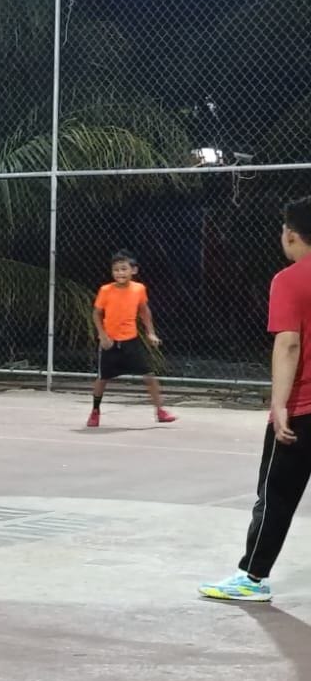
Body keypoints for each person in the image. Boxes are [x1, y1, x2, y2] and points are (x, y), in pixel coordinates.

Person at [199, 196, 311, 603]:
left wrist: (279, 405)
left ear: (292, 235)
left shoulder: (290, 279)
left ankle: (252, 576)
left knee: (277, 495)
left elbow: (289, 345)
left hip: (303, 409)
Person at [87, 250, 177, 427]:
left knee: (149, 375)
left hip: (131, 341)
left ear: (133, 270)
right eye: (116, 270)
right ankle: (95, 411)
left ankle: (160, 411)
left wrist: (150, 332)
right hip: (110, 342)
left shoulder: (139, 289)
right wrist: (103, 335)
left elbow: (144, 311)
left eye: (123, 269)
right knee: (102, 379)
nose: (120, 273)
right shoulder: (105, 290)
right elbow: (97, 314)